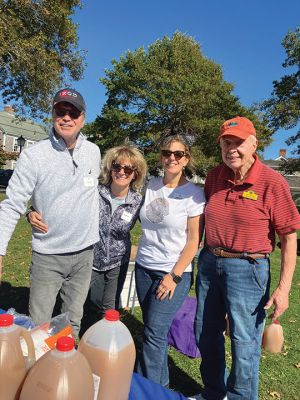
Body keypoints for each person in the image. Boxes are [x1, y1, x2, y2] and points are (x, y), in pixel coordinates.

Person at [194, 116, 300, 400]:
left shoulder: (272, 182)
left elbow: (289, 237)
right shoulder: (214, 177)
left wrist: (284, 288)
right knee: (205, 332)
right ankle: (214, 393)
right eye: (226, 143)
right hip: (208, 263)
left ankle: (241, 397)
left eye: (238, 143)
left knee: (245, 341)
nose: (232, 149)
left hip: (248, 269)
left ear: (254, 144)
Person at [0, 88, 101, 337]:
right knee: (39, 327)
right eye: (61, 111)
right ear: (53, 114)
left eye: (73, 112)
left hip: (84, 254)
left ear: (83, 118)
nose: (67, 117)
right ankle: (38, 375)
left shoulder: (94, 152)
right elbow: (12, 203)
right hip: (48, 256)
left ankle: (64, 373)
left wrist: (33, 211)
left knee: (72, 323)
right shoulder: (34, 156)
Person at [29, 144, 148, 319]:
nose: (122, 172)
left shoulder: (138, 201)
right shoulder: (95, 191)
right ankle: (69, 335)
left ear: (135, 174)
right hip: (90, 258)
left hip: (118, 261)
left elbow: (153, 224)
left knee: (109, 307)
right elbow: (62, 200)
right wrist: (31, 211)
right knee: (78, 302)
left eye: (128, 169)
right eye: (117, 166)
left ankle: (103, 341)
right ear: (110, 168)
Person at [135, 128, 206, 387]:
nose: (172, 158)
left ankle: (148, 389)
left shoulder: (194, 195)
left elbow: (193, 241)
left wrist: (173, 276)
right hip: (143, 268)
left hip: (173, 274)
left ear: (186, 159)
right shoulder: (151, 185)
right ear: (161, 157)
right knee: (156, 332)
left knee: (153, 333)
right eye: (167, 153)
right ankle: (161, 384)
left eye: (178, 154)